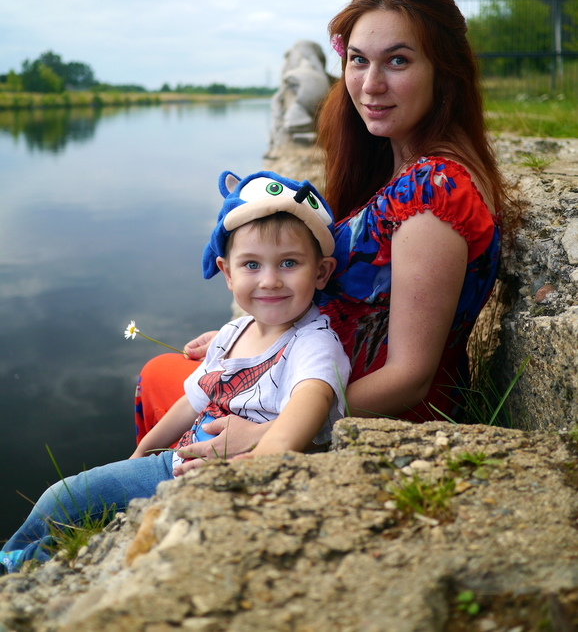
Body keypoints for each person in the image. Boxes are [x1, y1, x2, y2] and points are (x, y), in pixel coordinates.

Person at [137, 0, 506, 473]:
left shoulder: (433, 192)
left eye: (398, 61)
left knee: (156, 380)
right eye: (358, 60)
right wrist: (249, 341)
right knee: (171, 374)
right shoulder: (400, 170)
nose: (370, 84)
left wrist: (272, 430)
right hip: (299, 376)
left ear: (445, 71)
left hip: (361, 423)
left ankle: (142, 501)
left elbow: (410, 378)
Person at [0, 170, 350, 573]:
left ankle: (25, 567)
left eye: (289, 263)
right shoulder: (234, 333)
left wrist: (253, 465)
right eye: (252, 264)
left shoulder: (313, 344)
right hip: (177, 464)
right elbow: (191, 402)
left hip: (236, 477)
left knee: (70, 502)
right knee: (62, 499)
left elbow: (309, 406)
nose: (270, 281)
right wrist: (142, 452)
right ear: (228, 273)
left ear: (321, 272)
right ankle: (20, 564)